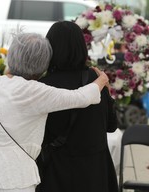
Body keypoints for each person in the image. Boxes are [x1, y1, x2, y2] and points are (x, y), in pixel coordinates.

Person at [0, 32, 109, 192]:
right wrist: (101, 80)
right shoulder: (34, 91)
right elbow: (79, 97)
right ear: (43, 63)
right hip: (13, 178)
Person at [36, 21, 118, 192]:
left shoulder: (43, 86)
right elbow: (111, 126)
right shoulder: (97, 81)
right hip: (96, 173)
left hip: (57, 173)